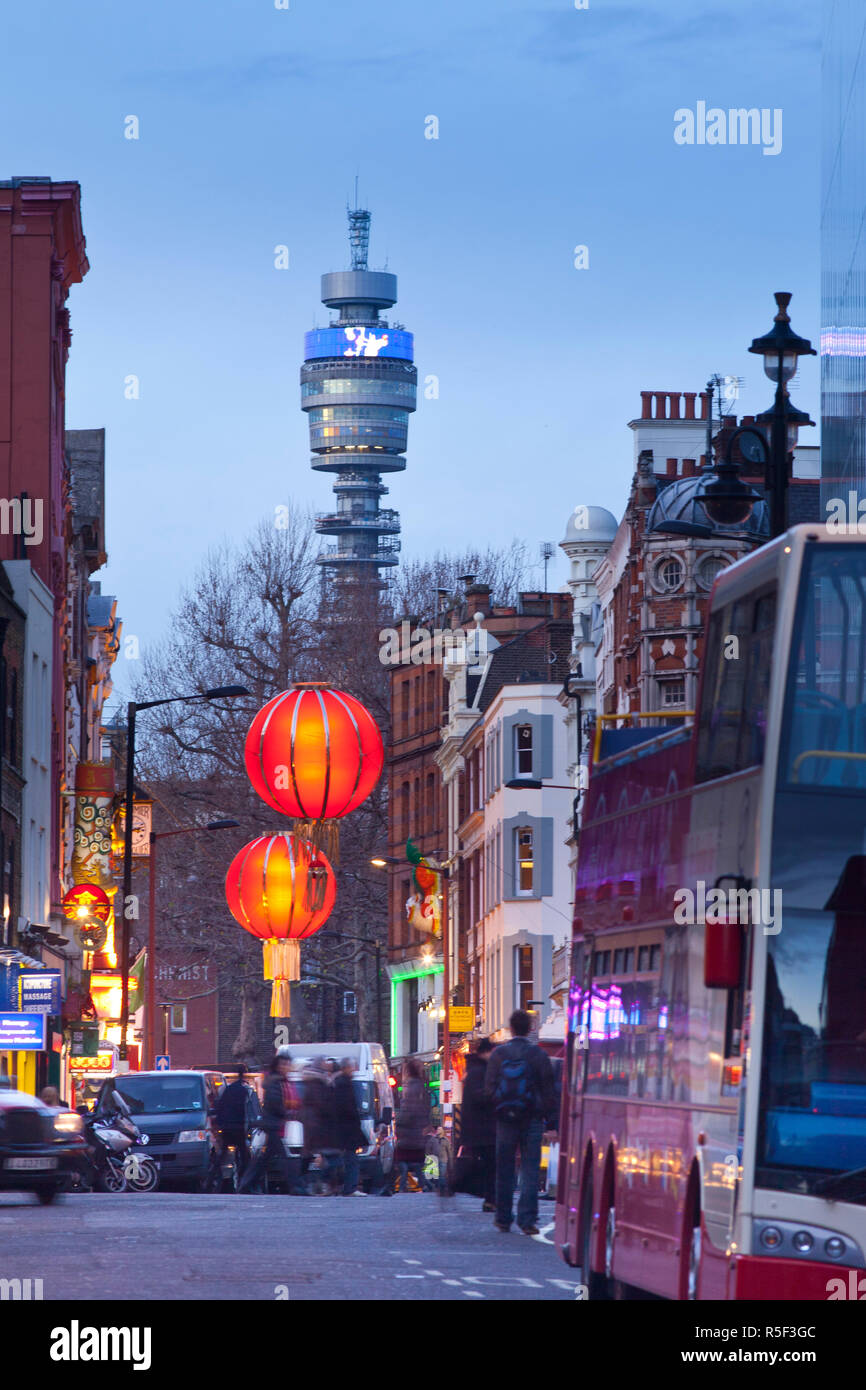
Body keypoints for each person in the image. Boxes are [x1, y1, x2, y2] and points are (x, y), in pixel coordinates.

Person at [484, 1009, 558, 1235]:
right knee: (530, 1169)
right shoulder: (538, 1055)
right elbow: (548, 1091)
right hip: (532, 1118)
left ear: (511, 1028)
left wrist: (497, 1109)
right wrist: (551, 1123)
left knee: (504, 1169)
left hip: (505, 1119)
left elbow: (489, 1088)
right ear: (530, 1029)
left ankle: (503, 1218)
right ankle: (527, 1220)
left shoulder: (499, 1054)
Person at [238, 1053, 295, 1194]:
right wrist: (287, 1113)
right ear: (277, 1066)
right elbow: (275, 1103)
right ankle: (296, 1186)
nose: (286, 1067)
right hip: (272, 1123)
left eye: (288, 1064)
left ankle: (245, 1184)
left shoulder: (278, 1081)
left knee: (264, 1159)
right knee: (282, 1156)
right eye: (283, 1064)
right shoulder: (275, 1082)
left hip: (273, 1123)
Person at [455, 1038, 496, 1210]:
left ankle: (491, 1199)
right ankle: (490, 1199)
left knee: (490, 1165)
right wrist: (496, 1093)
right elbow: (481, 1097)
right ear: (485, 1052)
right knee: (491, 1165)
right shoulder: (479, 1071)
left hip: (479, 1128)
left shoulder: (475, 1069)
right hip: (482, 1129)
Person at [383, 1058, 431, 1195]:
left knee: (401, 1162)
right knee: (415, 1164)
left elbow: (408, 1110)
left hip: (408, 1135)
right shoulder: (422, 1086)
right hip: (416, 1134)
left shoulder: (411, 1087)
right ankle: (424, 1185)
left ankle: (394, 1186)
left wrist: (399, 1122)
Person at [299, 1058, 337, 1194]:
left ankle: (303, 1183)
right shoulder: (318, 1084)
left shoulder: (311, 1083)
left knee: (309, 1155)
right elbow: (322, 1106)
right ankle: (323, 1184)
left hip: (311, 1124)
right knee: (324, 1156)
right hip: (316, 1124)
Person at [213, 1065, 254, 1187]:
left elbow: (221, 1106)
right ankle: (244, 1181)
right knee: (245, 1156)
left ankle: (211, 1179)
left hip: (227, 1126)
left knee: (222, 1155)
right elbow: (246, 1111)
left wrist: (221, 1123)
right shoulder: (244, 1090)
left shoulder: (229, 1089)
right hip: (238, 1126)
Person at [332, 1057, 367, 1196]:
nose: (353, 1070)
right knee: (351, 1159)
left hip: (344, 1127)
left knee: (346, 1159)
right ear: (346, 1068)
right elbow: (348, 1107)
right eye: (352, 1067)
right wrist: (355, 1119)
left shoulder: (340, 1083)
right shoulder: (344, 1084)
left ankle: (346, 1186)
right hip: (347, 1128)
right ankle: (350, 1187)